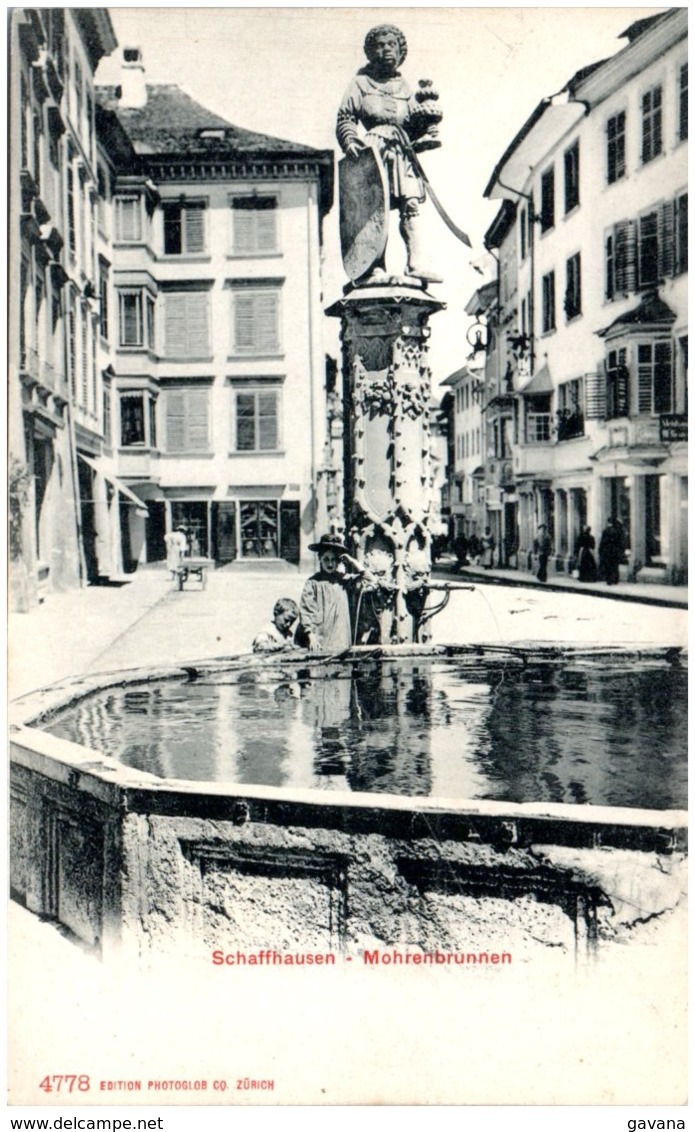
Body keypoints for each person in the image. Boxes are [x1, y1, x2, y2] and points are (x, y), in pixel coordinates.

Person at [336, 24, 442, 282]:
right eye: (380, 45)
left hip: (401, 149)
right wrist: (349, 139)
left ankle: (414, 263)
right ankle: (374, 266)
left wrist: (427, 127)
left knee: (411, 204)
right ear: (371, 52)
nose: (385, 50)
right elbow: (345, 117)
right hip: (373, 150)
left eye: (391, 44)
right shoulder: (360, 83)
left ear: (400, 50)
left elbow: (412, 123)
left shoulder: (406, 88)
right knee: (374, 209)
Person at [299, 534, 365, 652]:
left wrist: (351, 561)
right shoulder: (312, 583)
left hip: (341, 638)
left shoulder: (344, 580)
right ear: (320, 559)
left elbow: (369, 580)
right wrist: (311, 636)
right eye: (326, 559)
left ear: (339, 561)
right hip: (320, 639)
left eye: (333, 560)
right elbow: (307, 611)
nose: (330, 564)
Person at [599, 517, 622, 585]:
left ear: (608, 522)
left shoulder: (606, 531)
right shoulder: (617, 531)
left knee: (608, 566)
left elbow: (603, 542)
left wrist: (600, 550)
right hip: (615, 550)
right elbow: (619, 542)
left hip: (607, 551)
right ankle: (615, 579)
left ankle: (609, 580)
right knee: (615, 565)